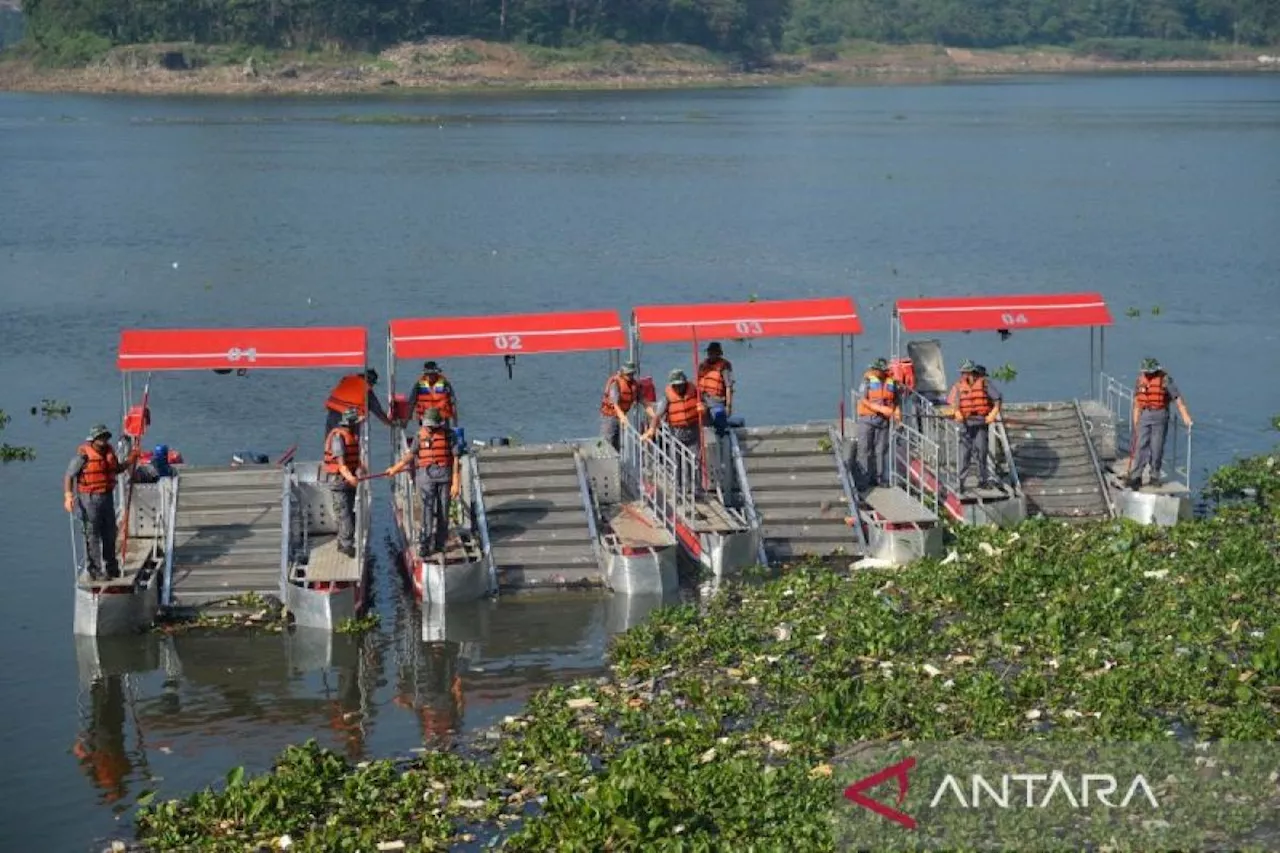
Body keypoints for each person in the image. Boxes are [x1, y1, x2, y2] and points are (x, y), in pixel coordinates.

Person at [386, 407, 461, 559]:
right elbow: (410, 455)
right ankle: (425, 545)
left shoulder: (449, 435)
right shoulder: (419, 435)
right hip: (426, 478)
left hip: (444, 477)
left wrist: (456, 481)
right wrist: (395, 468)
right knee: (426, 512)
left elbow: (456, 459)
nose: (429, 428)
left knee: (443, 512)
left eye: (432, 425)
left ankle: (440, 543)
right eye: (427, 425)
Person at [65, 424, 135, 580]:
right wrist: (69, 496)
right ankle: (95, 570)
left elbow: (116, 469)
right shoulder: (83, 456)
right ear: (93, 439)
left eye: (105, 437)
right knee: (92, 533)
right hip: (89, 498)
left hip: (107, 496)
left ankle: (111, 566)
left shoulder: (109, 452)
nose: (103, 440)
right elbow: (69, 476)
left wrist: (130, 460)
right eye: (100, 437)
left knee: (110, 531)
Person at [1128, 357, 1193, 489]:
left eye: (1150, 372)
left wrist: (1185, 415)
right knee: (1141, 445)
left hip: (1160, 414)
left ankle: (1154, 475)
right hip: (1145, 414)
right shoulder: (1140, 380)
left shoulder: (1165, 380)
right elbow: (1137, 402)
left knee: (1156, 447)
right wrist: (1135, 421)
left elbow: (1177, 398)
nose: (1148, 374)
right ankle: (1136, 476)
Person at [643, 370, 706, 494]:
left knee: (695, 461)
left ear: (685, 383)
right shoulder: (667, 397)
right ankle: (679, 489)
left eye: (680, 385)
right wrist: (651, 429)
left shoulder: (695, 392)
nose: (678, 388)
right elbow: (657, 416)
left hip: (693, 431)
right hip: (676, 433)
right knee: (677, 462)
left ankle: (697, 489)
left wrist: (703, 408)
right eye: (675, 385)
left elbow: (705, 406)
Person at [946, 360, 1002, 491]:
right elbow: (953, 403)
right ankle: (961, 482)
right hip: (965, 423)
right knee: (964, 453)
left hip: (980, 422)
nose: (964, 375)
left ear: (972, 372)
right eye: (962, 373)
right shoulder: (958, 386)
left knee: (981, 451)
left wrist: (993, 414)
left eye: (966, 372)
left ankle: (983, 479)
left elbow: (997, 399)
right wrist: (957, 412)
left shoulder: (984, 383)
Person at [855, 358, 902, 490]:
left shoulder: (891, 382)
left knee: (881, 450)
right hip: (867, 419)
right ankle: (864, 480)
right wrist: (879, 409)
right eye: (877, 370)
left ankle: (880, 478)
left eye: (881, 370)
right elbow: (863, 399)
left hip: (883, 422)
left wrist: (898, 416)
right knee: (865, 449)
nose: (878, 372)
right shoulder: (867, 380)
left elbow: (896, 402)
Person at [323, 407, 364, 557]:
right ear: (350, 424)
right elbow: (341, 464)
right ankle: (347, 545)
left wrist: (360, 468)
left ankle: (343, 541)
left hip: (349, 480)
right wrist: (351, 477)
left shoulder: (352, 436)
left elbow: (354, 458)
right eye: (356, 423)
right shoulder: (338, 438)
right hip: (340, 481)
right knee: (344, 513)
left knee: (349, 511)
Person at [325, 368, 391, 437]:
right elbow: (379, 412)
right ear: (371, 382)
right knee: (350, 442)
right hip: (348, 415)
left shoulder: (348, 380)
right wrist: (391, 423)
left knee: (329, 443)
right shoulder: (367, 391)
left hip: (332, 413)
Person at [599, 361, 650, 451]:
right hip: (609, 416)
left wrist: (653, 414)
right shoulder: (616, 383)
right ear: (623, 373)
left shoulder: (634, 385)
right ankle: (604, 456)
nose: (630, 376)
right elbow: (615, 404)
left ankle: (616, 461)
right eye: (628, 374)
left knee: (617, 443)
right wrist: (622, 417)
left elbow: (642, 400)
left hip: (621, 417)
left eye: (631, 374)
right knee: (608, 439)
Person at [697, 342, 734, 435]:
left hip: (717, 400)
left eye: (713, 352)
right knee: (704, 427)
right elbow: (697, 383)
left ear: (718, 353)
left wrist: (729, 406)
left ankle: (722, 438)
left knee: (720, 426)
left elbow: (728, 386)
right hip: (703, 400)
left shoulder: (724, 366)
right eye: (709, 352)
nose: (710, 354)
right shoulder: (702, 365)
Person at [407, 361, 458, 427]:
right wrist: (406, 421)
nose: (431, 376)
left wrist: (455, 425)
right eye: (428, 374)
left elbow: (453, 403)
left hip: (442, 420)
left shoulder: (445, 384)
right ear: (425, 374)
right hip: (425, 420)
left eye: (433, 374)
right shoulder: (419, 385)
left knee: (443, 435)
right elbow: (411, 403)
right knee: (425, 435)